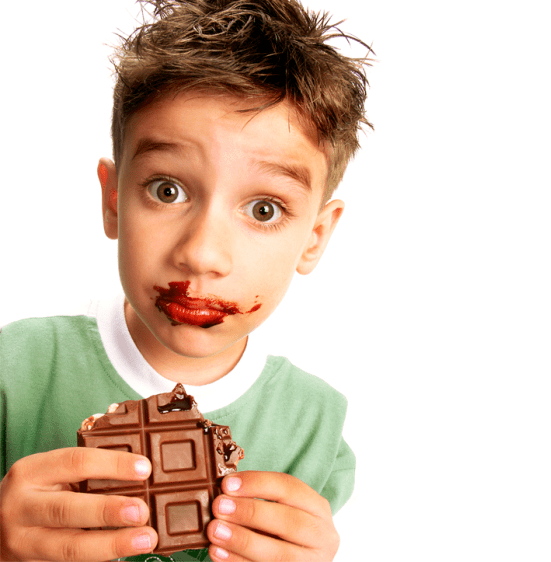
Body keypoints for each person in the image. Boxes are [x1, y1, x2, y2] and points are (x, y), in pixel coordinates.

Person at [0, 0, 371, 559]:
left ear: (314, 237)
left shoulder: (314, 431)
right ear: (113, 199)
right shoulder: (14, 373)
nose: (201, 254)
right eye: (167, 190)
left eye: (264, 209)